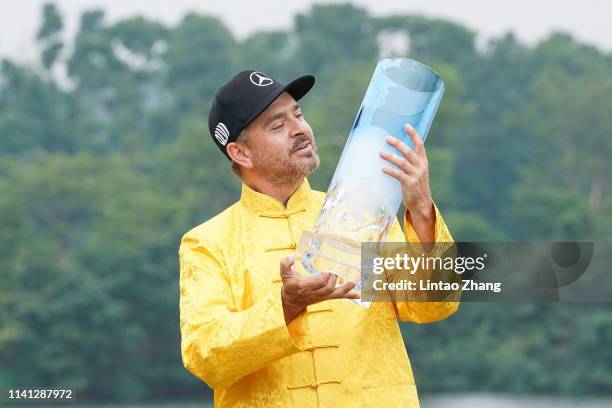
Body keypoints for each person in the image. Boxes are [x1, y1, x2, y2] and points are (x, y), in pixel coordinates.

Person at [178, 69, 459, 407]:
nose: (300, 130)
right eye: (277, 125)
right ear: (241, 153)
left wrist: (422, 210)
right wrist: (287, 304)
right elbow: (206, 356)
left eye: (298, 114)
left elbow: (432, 306)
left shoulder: (362, 212)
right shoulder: (207, 243)